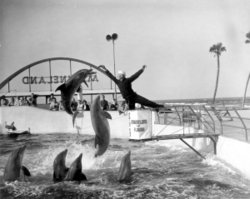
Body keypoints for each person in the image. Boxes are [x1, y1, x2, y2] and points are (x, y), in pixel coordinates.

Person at [99, 65, 164, 110]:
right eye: (118, 75)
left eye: (119, 75)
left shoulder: (127, 80)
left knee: (146, 102)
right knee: (131, 111)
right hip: (128, 100)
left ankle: (159, 106)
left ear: (122, 75)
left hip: (134, 96)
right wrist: (105, 69)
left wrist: (142, 69)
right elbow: (111, 76)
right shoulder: (118, 82)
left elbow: (135, 76)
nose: (117, 75)